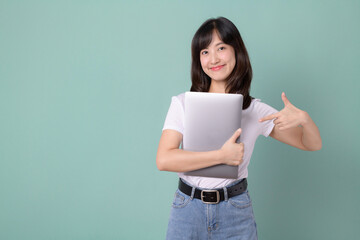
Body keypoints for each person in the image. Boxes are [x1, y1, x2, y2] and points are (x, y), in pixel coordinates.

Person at [156, 17, 322, 240]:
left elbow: (310, 143)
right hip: (188, 210)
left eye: (221, 48)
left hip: (235, 211)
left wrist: (305, 119)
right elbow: (164, 160)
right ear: (198, 60)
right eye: (204, 52)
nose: (213, 58)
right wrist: (221, 156)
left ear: (237, 51)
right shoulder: (183, 102)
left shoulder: (254, 109)